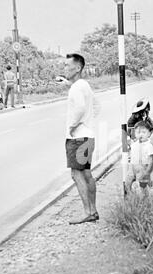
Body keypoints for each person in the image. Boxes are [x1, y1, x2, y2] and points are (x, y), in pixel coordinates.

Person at [64, 53, 100, 225]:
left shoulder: (76, 87)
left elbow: (79, 108)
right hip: (88, 136)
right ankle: (93, 210)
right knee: (86, 173)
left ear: (77, 68)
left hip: (78, 138)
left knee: (76, 174)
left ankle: (87, 212)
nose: (64, 69)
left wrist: (72, 125)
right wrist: (89, 122)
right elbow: (97, 106)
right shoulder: (85, 85)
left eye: (67, 65)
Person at [126, 121, 153, 195]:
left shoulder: (149, 145)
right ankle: (131, 195)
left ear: (149, 134)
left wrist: (147, 171)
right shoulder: (134, 143)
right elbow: (131, 149)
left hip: (143, 167)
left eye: (143, 132)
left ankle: (145, 196)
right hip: (133, 166)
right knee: (127, 181)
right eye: (138, 132)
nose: (140, 135)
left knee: (143, 184)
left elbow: (151, 160)